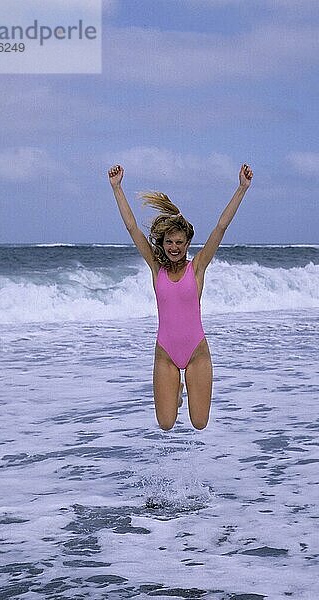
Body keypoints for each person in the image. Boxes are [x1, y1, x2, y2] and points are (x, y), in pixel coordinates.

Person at [108, 163, 253, 430]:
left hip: (196, 351)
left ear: (187, 244)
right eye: (169, 242)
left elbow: (220, 227)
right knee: (165, 424)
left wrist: (241, 188)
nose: (174, 248)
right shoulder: (156, 268)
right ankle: (177, 389)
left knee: (199, 423)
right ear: (162, 244)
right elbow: (132, 228)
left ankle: (184, 383)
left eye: (179, 242)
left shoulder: (197, 268)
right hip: (165, 352)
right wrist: (117, 188)